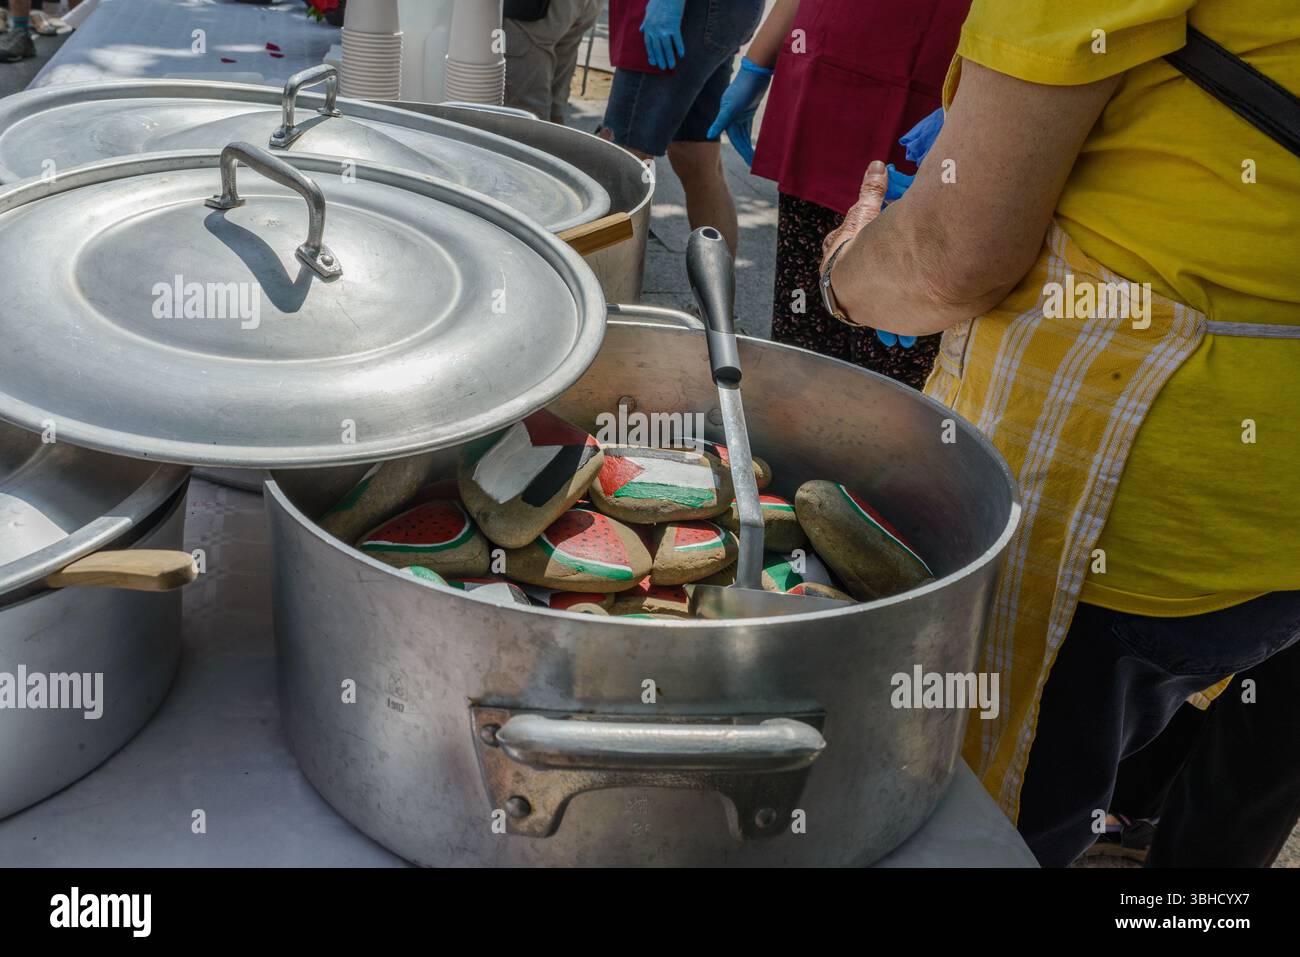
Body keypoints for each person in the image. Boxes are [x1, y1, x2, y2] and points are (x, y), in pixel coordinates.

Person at [817, 0, 1300, 866]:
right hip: (1260, 544)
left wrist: (845, 276)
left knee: (978, 822)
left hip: (1124, 515)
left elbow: (950, 259)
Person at [707, 0, 970, 389]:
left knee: (893, 365)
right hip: (825, 74)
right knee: (802, 328)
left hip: (941, 85)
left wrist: (971, 114)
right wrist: (756, 64)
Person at [599, 0, 765, 254]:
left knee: (619, 164)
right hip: (716, 13)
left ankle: (600, 280)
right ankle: (716, 280)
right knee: (697, 158)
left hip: (689, 12)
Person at [503, 0, 604, 125]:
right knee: (553, 109)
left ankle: (539, 132)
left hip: (538, 10)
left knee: (525, 114)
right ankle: (551, 128)